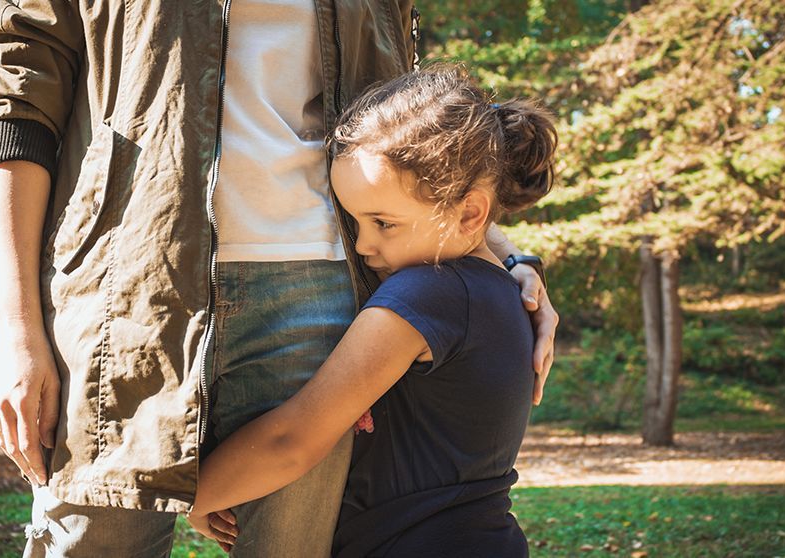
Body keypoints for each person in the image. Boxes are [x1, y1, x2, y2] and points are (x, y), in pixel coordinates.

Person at [0, 1, 558, 556]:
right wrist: (13, 327)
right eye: (367, 223)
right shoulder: (429, 287)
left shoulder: (418, 290)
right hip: (126, 291)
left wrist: (505, 254)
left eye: (378, 224)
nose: (367, 241)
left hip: (327, 294)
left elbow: (420, 142)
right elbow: (21, 91)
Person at [187, 65, 555, 557]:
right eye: (355, 221)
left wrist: (194, 495)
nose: (363, 245)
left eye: (384, 222)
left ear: (470, 214)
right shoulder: (495, 292)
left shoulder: (429, 294)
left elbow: (292, 440)